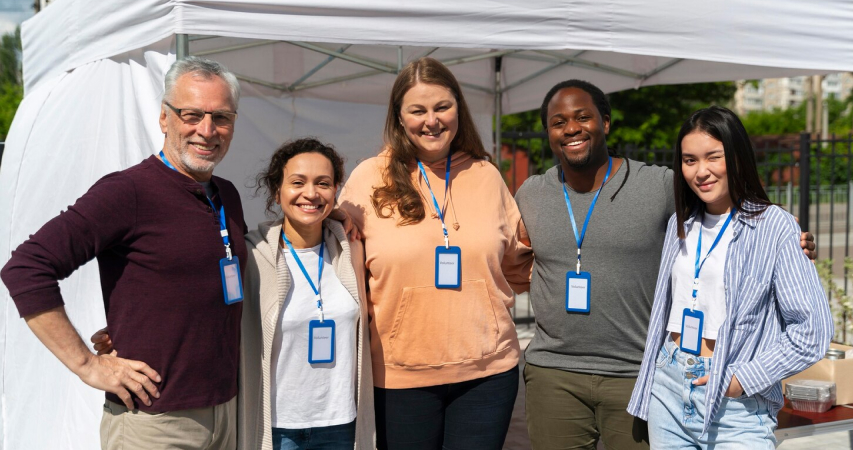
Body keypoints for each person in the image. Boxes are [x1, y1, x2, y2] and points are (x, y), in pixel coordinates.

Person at [514, 80, 817, 450]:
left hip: (636, 371)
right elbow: (507, 256)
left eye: (582, 117)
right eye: (558, 121)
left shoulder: (658, 187)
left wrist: (790, 240)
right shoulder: (529, 194)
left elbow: (733, 211)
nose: (572, 128)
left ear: (605, 123)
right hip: (572, 375)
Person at [1, 57, 246, 449]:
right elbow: (27, 267)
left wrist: (335, 217)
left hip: (227, 412)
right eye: (191, 114)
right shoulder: (128, 192)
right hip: (154, 423)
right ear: (164, 118)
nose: (206, 129)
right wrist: (87, 364)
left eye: (221, 117)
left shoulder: (226, 195)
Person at [338, 57, 534, 450]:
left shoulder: (486, 176)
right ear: (399, 116)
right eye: (418, 110)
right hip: (400, 377)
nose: (432, 120)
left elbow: (518, 264)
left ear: (458, 108)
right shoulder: (368, 178)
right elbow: (341, 267)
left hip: (488, 375)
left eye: (442, 107)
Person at [627, 106, 833, 448]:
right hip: (669, 384)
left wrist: (741, 379)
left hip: (736, 403)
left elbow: (813, 331)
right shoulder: (680, 225)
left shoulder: (774, 226)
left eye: (713, 157)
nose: (701, 171)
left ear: (736, 157)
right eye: (690, 160)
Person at [236, 138, 376, 450]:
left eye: (323, 183)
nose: (311, 193)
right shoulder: (253, 255)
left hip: (342, 425)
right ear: (277, 191)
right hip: (279, 429)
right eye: (297, 182)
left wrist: (341, 216)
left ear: (336, 189)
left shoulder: (350, 247)